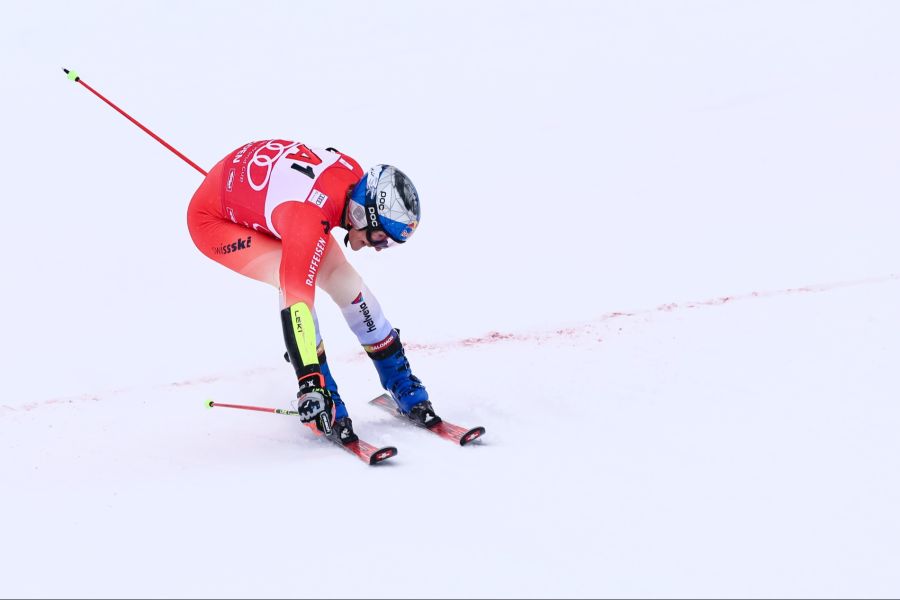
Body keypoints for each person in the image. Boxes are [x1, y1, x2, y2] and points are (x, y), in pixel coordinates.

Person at [187, 139, 439, 444]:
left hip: (268, 195)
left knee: (343, 280)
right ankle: (325, 394)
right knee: (291, 276)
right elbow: (296, 305)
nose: (380, 248)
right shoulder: (309, 218)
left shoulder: (351, 185)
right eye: (381, 239)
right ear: (362, 216)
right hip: (213, 220)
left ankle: (401, 381)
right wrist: (309, 382)